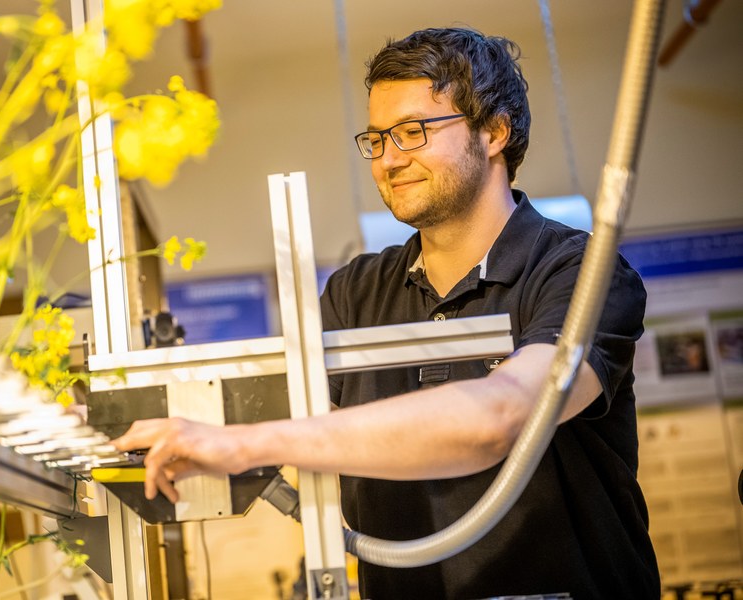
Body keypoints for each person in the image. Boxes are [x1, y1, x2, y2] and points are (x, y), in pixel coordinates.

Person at [112, 27, 658, 599]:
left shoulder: (579, 272)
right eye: (376, 139)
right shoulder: (356, 293)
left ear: (494, 132)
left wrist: (247, 443)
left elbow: (505, 416)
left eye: (412, 132)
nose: (389, 159)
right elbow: (300, 427)